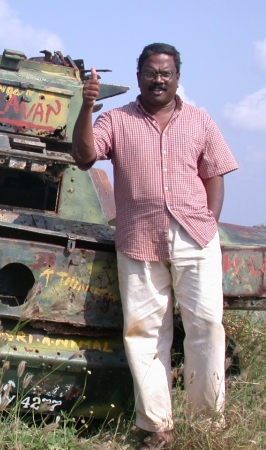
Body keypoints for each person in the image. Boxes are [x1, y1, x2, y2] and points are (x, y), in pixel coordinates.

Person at [72, 43, 238, 449]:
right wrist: (86, 107)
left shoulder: (200, 121)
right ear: (138, 76)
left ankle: (206, 425)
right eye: (151, 72)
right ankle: (156, 428)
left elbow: (215, 174)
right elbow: (84, 157)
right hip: (139, 239)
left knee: (205, 329)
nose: (158, 79)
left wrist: (210, 224)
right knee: (145, 334)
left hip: (195, 238)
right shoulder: (116, 120)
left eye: (165, 73)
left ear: (177, 77)